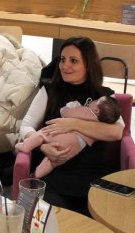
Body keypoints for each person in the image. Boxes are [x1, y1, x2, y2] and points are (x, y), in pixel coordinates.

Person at [18, 36, 124, 216]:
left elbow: (116, 132)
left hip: (93, 175)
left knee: (94, 230)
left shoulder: (104, 96)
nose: (65, 66)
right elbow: (26, 125)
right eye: (62, 59)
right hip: (55, 172)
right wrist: (44, 147)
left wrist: (72, 123)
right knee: (50, 221)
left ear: (88, 65)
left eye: (73, 61)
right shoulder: (49, 91)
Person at [16, 95, 121, 178]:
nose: (93, 101)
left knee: (42, 134)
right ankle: (35, 176)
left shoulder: (86, 111)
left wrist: (70, 106)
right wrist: (43, 148)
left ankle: (27, 146)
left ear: (97, 110)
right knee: (52, 163)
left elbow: (65, 113)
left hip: (62, 139)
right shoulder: (103, 123)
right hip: (75, 148)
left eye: (96, 101)